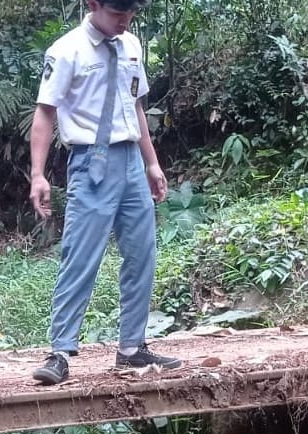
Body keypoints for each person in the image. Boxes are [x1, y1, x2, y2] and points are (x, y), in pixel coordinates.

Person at [28, 0, 182, 385]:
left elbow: (136, 106)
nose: (124, 22)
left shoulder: (131, 45)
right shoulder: (66, 51)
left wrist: (151, 163)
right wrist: (37, 174)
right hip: (90, 162)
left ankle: (132, 346)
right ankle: (60, 352)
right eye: (117, 14)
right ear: (93, 4)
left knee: (142, 252)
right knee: (81, 255)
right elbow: (45, 112)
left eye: (130, 15)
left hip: (130, 159)